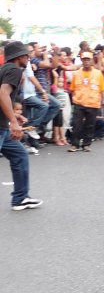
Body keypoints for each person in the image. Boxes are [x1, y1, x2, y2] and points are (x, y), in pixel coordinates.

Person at [0, 41, 43, 210]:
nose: (29, 58)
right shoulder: (15, 70)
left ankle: (20, 198)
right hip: (2, 127)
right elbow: (3, 94)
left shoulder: (4, 69)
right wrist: (13, 122)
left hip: (3, 126)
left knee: (20, 156)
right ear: (19, 57)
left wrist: (14, 117)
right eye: (27, 55)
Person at [68, 51, 104, 152]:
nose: (86, 62)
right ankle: (75, 144)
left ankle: (86, 144)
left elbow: (103, 88)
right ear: (81, 61)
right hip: (79, 103)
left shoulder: (98, 74)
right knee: (77, 124)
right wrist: (75, 99)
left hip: (93, 103)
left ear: (92, 60)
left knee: (90, 125)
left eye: (88, 59)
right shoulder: (76, 73)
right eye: (84, 59)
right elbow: (72, 89)